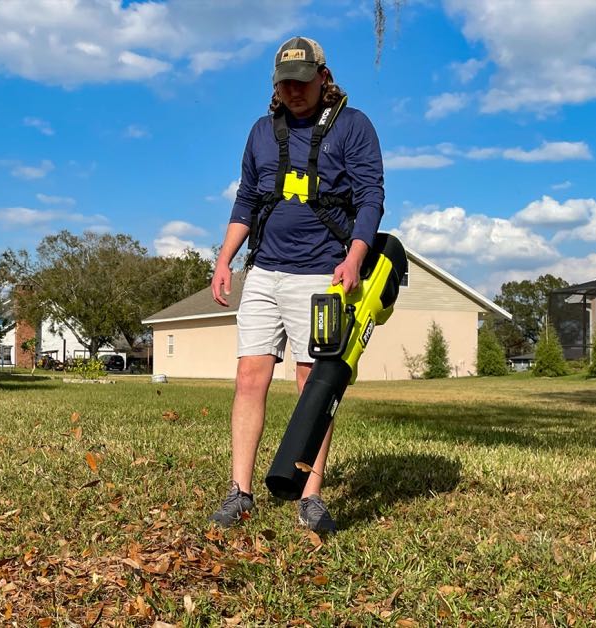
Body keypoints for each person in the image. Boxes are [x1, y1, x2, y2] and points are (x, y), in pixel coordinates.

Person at [209, 36, 384, 532]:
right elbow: (246, 200)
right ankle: (239, 492)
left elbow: (371, 197)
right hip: (263, 270)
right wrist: (225, 260)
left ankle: (310, 496)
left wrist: (354, 257)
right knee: (250, 376)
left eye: (303, 81)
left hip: (322, 273)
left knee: (312, 386)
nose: (295, 90)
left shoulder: (353, 126)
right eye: (285, 82)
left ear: (323, 78)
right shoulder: (262, 132)